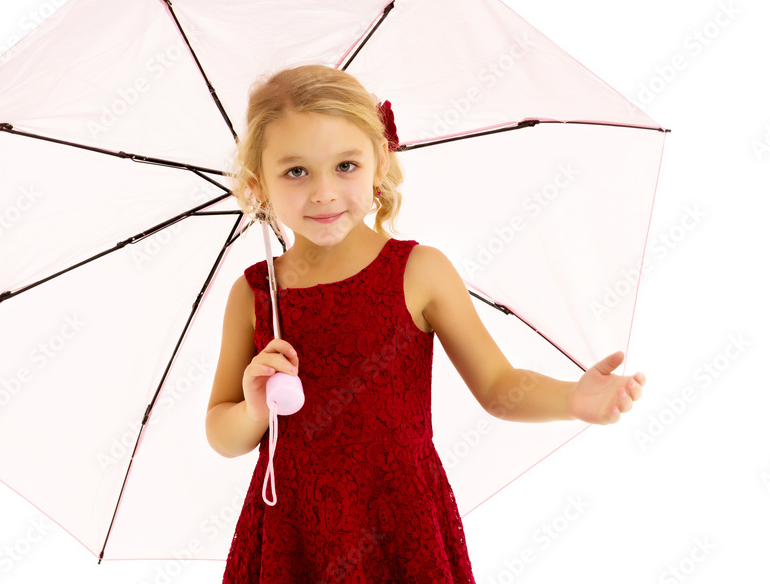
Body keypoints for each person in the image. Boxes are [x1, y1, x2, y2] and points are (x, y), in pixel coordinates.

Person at [206, 64, 646, 583]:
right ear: (258, 184)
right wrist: (254, 409)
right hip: (293, 529)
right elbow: (222, 432)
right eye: (296, 172)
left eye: (345, 165)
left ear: (379, 162)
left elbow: (498, 386)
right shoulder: (255, 296)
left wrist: (573, 399)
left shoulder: (419, 272)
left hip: (400, 519)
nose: (323, 192)